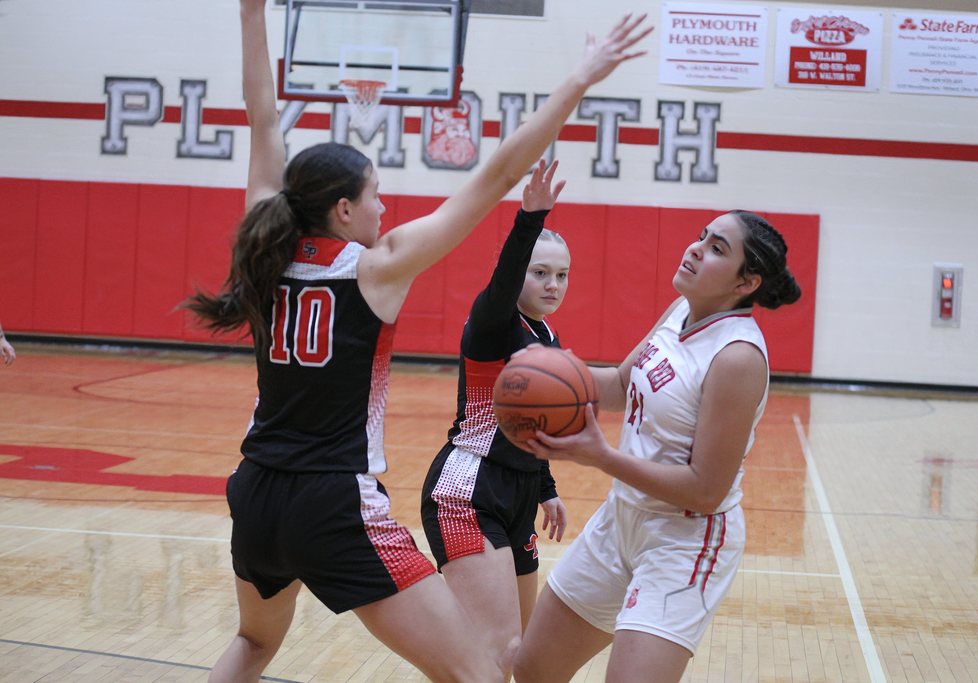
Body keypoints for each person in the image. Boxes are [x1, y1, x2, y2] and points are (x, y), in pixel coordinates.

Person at [184, 1, 651, 681]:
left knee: (254, 643)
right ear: (343, 210)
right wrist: (579, 79)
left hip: (255, 490)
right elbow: (495, 176)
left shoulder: (265, 249)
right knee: (481, 674)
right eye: (374, 195)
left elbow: (262, 114)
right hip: (334, 499)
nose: (385, 207)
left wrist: (252, 13)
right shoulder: (377, 266)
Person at [512, 210, 802, 683]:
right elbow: (621, 385)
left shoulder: (737, 357)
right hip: (622, 519)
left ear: (746, 282)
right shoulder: (680, 312)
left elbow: (705, 489)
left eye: (716, 249)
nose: (695, 248)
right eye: (702, 237)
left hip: (685, 540)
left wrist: (601, 456)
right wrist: (550, 370)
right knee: (534, 669)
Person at [420, 158, 570, 674]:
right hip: (469, 488)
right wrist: (529, 220)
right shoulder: (493, 322)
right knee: (496, 651)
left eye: (562, 275)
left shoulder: (547, 338)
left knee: (521, 654)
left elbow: (534, 427)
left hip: (519, 490)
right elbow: (504, 282)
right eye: (540, 272)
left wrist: (545, 485)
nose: (553, 284)